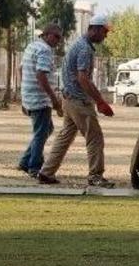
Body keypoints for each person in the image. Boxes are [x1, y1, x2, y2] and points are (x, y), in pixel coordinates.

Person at [36, 14, 115, 188]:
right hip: (78, 101)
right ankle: (95, 176)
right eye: (104, 31)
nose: (105, 36)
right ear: (93, 29)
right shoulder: (85, 49)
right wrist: (100, 101)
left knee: (65, 137)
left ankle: (46, 172)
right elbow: (83, 78)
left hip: (68, 99)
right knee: (95, 137)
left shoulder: (78, 44)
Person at [18, 23, 64, 177]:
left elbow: (21, 69)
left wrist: (23, 93)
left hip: (29, 96)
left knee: (45, 130)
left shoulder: (32, 46)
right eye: (56, 36)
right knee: (41, 132)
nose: (58, 41)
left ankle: (25, 161)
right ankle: (34, 167)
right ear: (47, 34)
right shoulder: (45, 50)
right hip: (40, 99)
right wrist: (54, 100)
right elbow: (41, 76)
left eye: (60, 38)